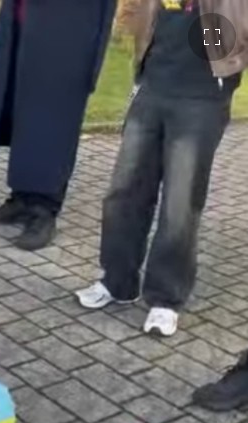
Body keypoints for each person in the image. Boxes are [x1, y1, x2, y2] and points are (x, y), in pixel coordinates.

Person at [76, 0, 247, 337]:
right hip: (152, 87)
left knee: (179, 204)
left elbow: (224, 35)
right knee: (124, 192)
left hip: (201, 98)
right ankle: (117, 281)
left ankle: (165, 298)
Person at [0, 0, 117, 252]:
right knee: (22, 114)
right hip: (25, 21)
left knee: (54, 120)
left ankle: (44, 209)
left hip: (67, 32)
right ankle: (23, 197)